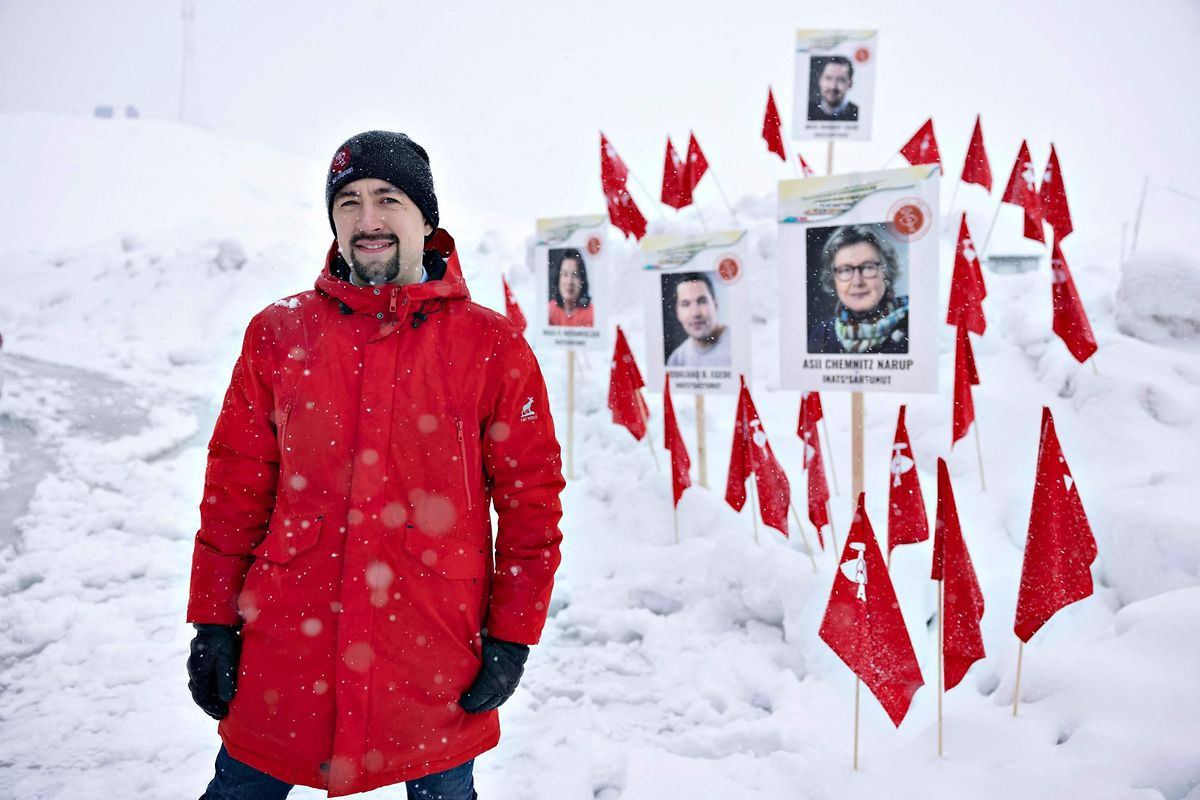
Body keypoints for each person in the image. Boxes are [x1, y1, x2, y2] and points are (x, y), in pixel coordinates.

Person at [186, 130, 566, 800]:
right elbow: (234, 488)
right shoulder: (278, 333)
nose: (368, 220)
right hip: (287, 648)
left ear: (426, 218)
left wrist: (513, 636)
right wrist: (214, 620)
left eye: (388, 199)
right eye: (350, 202)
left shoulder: (492, 346)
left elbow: (531, 503)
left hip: (432, 651)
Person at [808, 223, 909, 354]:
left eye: (868, 267)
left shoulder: (913, 324)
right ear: (833, 279)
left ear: (887, 273)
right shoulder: (822, 334)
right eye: (845, 270)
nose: (857, 282)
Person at [666, 272, 732, 368]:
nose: (695, 313)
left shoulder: (739, 346)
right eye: (685, 304)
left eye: (702, 301)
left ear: (715, 305)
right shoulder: (676, 360)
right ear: (678, 313)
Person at [546, 248, 594, 327]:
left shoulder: (593, 315)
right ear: (558, 278)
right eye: (565, 274)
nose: (569, 281)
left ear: (582, 279)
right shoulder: (548, 311)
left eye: (575, 275)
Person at [807, 56, 859, 122]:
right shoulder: (807, 111)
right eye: (828, 78)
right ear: (820, 80)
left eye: (841, 80)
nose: (833, 86)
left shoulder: (859, 114)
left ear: (850, 84)